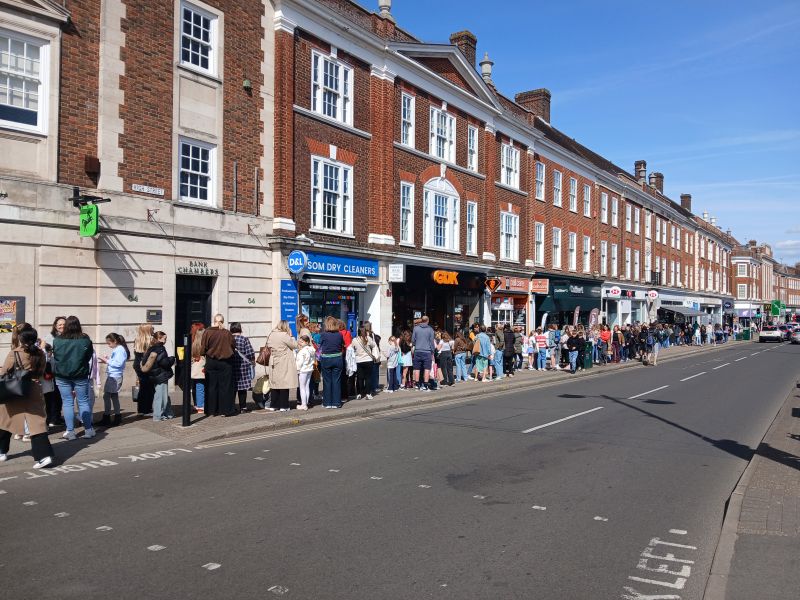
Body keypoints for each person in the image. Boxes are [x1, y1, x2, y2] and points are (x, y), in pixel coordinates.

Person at [0, 327, 55, 468]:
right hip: (35, 389)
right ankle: (44, 456)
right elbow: (42, 372)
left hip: (15, 390)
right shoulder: (40, 353)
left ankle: (2, 452)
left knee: (5, 419)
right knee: (37, 424)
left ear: (21, 339)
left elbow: (4, 370)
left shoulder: (16, 352)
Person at [52, 316, 95, 440]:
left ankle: (70, 431)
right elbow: (88, 356)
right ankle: (88, 429)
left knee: (67, 403)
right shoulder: (85, 340)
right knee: (83, 402)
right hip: (80, 374)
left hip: (62, 375)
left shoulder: (58, 340)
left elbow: (56, 357)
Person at [201, 314, 237, 417]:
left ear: (214, 321)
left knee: (211, 386)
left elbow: (203, 347)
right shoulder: (227, 333)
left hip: (211, 361)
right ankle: (225, 410)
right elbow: (233, 346)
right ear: (223, 321)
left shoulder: (207, 332)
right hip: (225, 362)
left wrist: (203, 354)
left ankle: (211, 410)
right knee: (225, 387)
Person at [140, 331, 175, 420]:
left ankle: (168, 413)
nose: (165, 340)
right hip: (161, 375)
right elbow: (165, 363)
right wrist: (172, 359)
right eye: (164, 338)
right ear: (159, 338)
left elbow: (145, 361)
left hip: (154, 375)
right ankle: (158, 416)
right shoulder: (161, 349)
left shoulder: (151, 348)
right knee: (161, 396)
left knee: (162, 395)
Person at [98, 333, 129, 427]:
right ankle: (116, 417)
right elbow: (117, 361)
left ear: (115, 341)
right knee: (113, 396)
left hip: (114, 376)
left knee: (107, 396)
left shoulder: (120, 349)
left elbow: (118, 363)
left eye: (109, 343)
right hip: (114, 375)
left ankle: (108, 416)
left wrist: (106, 360)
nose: (109, 345)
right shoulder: (118, 349)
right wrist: (108, 359)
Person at [267, 320, 298, 412]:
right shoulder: (284, 335)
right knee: (284, 383)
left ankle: (274, 405)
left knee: (275, 384)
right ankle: (284, 406)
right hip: (283, 361)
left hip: (273, 361)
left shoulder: (271, 334)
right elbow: (294, 345)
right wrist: (292, 336)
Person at [43, 316, 66, 426]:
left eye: (64, 324)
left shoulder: (68, 336)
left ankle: (57, 416)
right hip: (52, 371)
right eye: (60, 324)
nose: (62, 326)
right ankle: (51, 418)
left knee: (60, 395)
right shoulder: (50, 337)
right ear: (55, 326)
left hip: (63, 371)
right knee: (51, 396)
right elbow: (45, 351)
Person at [319, 316, 344, 409]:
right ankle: (337, 403)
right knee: (336, 381)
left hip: (326, 359)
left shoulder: (323, 334)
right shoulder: (339, 334)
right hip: (337, 358)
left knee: (327, 381)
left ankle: (327, 403)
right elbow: (341, 344)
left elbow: (320, 345)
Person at [231, 322, 255, 413]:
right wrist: (252, 360)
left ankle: (232, 406)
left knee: (233, 388)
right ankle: (243, 407)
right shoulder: (244, 339)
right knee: (242, 388)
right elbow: (250, 352)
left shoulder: (229, 338)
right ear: (240, 329)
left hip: (232, 365)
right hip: (243, 366)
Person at [132, 323, 155, 416]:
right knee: (150, 388)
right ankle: (148, 409)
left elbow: (137, 353)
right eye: (152, 328)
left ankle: (141, 409)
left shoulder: (137, 340)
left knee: (143, 387)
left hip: (137, 365)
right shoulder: (152, 340)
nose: (153, 329)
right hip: (147, 365)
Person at [352, 326, 378, 400]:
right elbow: (374, 345)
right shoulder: (368, 338)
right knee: (368, 378)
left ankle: (359, 394)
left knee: (360, 378)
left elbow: (352, 348)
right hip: (368, 360)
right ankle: (368, 393)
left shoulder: (355, 340)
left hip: (359, 361)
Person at [411, 316, 436, 391]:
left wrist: (417, 344)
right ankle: (425, 385)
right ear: (427, 321)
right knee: (427, 368)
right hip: (427, 351)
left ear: (421, 320)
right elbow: (431, 342)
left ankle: (417, 385)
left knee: (417, 368)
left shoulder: (416, 328)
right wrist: (433, 351)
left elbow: (413, 340)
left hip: (418, 351)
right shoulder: (430, 329)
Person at [295, 334, 315, 410]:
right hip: (309, 369)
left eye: (302, 342)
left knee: (302, 387)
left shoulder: (302, 351)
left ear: (307, 342)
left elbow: (299, 363)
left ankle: (304, 405)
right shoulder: (311, 349)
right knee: (306, 387)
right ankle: (306, 402)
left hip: (303, 370)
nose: (300, 343)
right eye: (300, 342)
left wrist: (297, 369)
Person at [190, 323, 206, 414]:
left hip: (194, 369)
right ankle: (201, 406)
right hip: (201, 369)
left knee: (196, 387)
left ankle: (197, 404)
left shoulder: (193, 344)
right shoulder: (203, 345)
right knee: (201, 388)